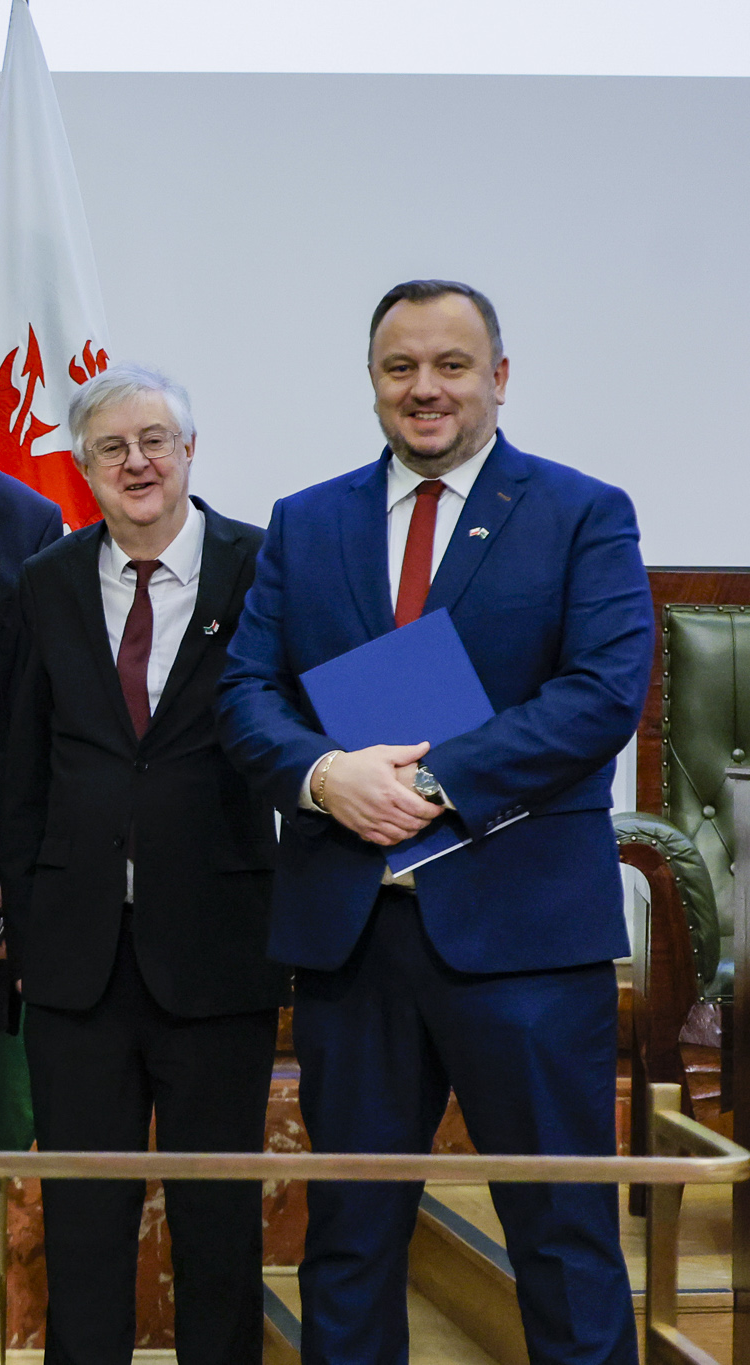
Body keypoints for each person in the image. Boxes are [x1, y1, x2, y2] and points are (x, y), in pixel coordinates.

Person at [218, 280, 652, 1364]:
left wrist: (431, 781)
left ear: (497, 380)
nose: (424, 389)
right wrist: (323, 777)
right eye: (398, 367)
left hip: (523, 944)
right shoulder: (305, 521)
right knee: (349, 1244)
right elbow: (243, 696)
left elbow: (602, 693)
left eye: (450, 365)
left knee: (561, 1242)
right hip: (352, 937)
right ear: (371, 381)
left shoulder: (578, 512)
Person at [0, 365, 283, 1365]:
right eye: (111, 447)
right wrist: (25, 930)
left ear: (190, 450)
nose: (136, 462)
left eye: (154, 440)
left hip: (219, 947)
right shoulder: (44, 582)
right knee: (81, 1222)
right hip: (75, 962)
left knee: (215, 1222)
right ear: (81, 466)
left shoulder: (264, 566)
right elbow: (18, 769)